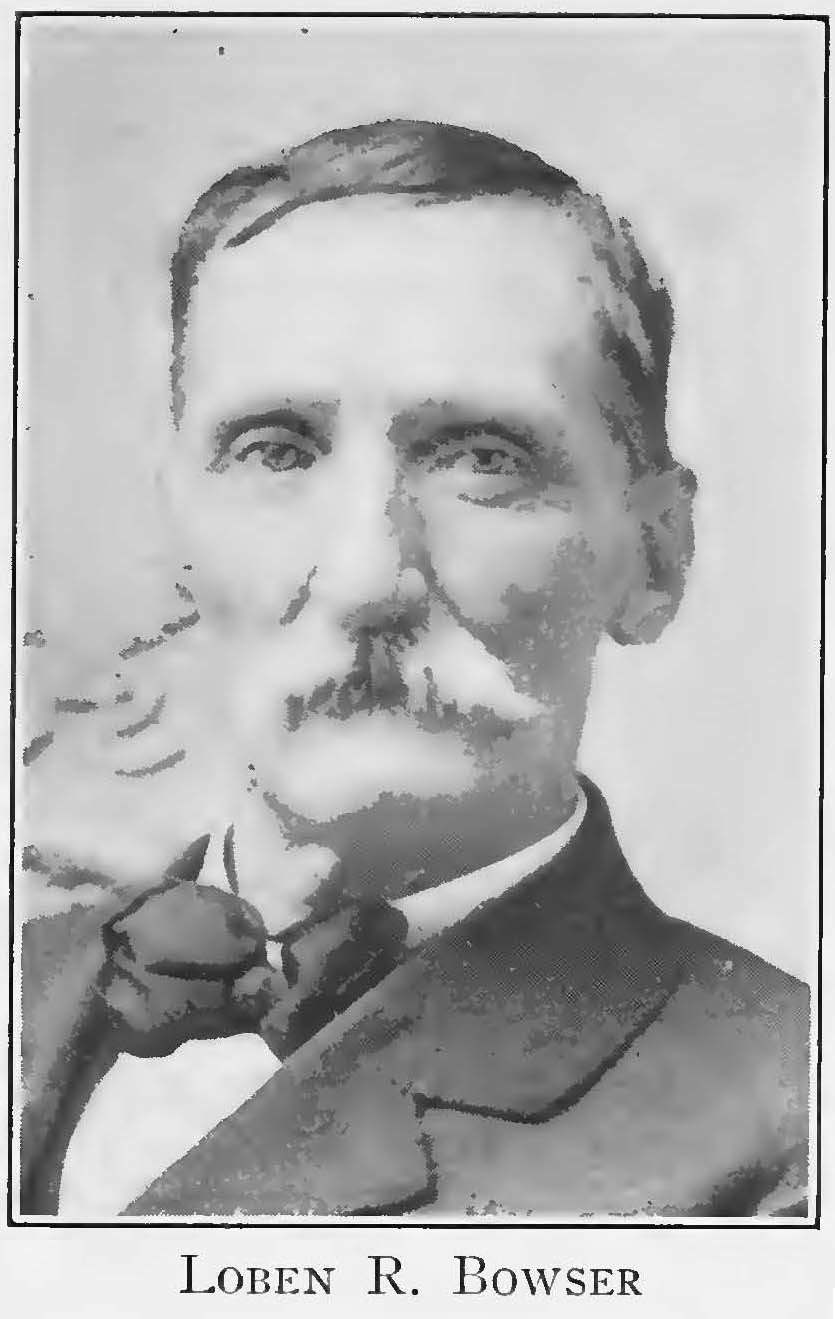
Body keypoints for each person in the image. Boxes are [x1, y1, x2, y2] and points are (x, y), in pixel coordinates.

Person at [19, 119, 809, 1218]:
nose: (364, 576)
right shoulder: (30, 976)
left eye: (483, 459)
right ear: (179, 533)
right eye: (275, 450)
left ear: (656, 557)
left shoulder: (786, 1115)